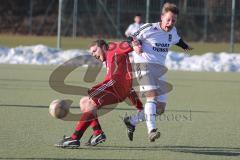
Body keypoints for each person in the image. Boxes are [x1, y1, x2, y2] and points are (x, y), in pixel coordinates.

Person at [123, 2, 193, 142]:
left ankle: (132, 121)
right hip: (142, 65)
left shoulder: (172, 31)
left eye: (173, 20)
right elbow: (130, 38)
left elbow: (177, 40)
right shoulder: (149, 27)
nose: (170, 23)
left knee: (160, 109)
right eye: (168, 19)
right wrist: (135, 45)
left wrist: (185, 46)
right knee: (152, 97)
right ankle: (152, 130)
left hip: (159, 70)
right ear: (162, 17)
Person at [55, 40, 144, 148]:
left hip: (114, 87)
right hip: (117, 89)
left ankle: (75, 138)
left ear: (103, 46)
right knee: (84, 102)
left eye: (94, 51)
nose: (94, 55)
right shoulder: (109, 59)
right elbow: (128, 85)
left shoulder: (113, 47)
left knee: (90, 101)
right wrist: (139, 106)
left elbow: (130, 43)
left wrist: (135, 44)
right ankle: (97, 133)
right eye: (91, 53)